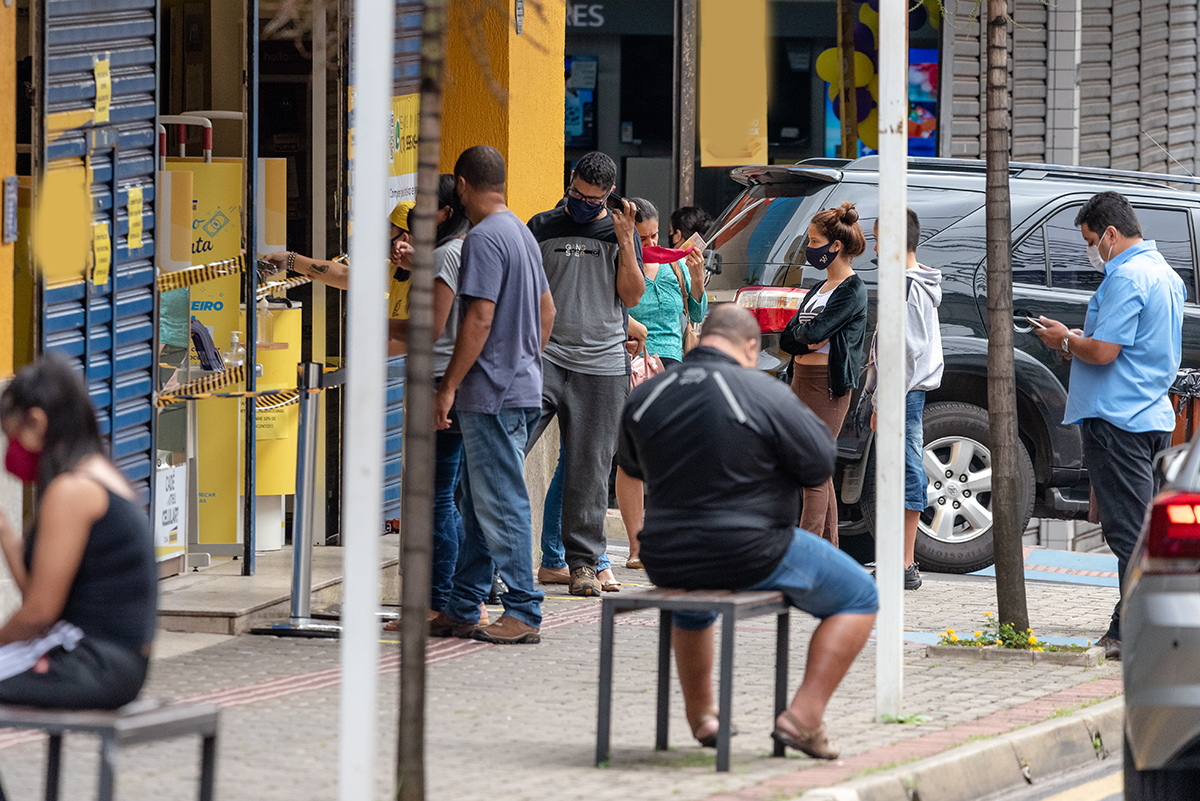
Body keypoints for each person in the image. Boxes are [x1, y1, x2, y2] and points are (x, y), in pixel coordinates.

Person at [616, 305, 877, 756]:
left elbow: (633, 465)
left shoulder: (647, 394)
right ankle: (804, 717)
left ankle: (703, 717)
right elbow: (817, 466)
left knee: (693, 598)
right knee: (860, 596)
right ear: (751, 348)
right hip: (752, 549)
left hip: (665, 555)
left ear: (704, 340)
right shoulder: (762, 390)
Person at [1034, 191, 1184, 662]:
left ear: (1112, 235)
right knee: (1142, 528)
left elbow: (1105, 352)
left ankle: (1136, 635)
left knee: (1129, 534)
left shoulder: (1127, 276)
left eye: (1091, 241)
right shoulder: (1166, 275)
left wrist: (1067, 340)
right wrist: (1074, 340)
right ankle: (1130, 627)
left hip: (1118, 419)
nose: (1091, 251)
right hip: (1153, 415)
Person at [432, 145, 556, 645]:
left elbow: (478, 318)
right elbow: (547, 311)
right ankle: (463, 607)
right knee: (479, 501)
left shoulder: (482, 238)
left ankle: (524, 610)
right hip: (521, 386)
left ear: (461, 184)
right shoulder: (522, 233)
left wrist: (450, 385)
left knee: (501, 500)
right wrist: (524, 358)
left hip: (491, 394)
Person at [0, 354, 157, 709]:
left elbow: (39, 614)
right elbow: (44, 601)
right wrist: (6, 533)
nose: (12, 453)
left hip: (91, 663)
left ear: (37, 422)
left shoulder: (71, 491)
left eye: (12, 437)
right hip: (115, 663)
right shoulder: (102, 474)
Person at [526, 151, 644, 597]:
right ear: (569, 181)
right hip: (544, 360)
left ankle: (582, 565)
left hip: (601, 367)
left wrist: (627, 241)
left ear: (608, 195)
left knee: (589, 470)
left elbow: (630, 295)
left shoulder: (616, 231)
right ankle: (497, 561)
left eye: (591, 199)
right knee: (505, 449)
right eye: (575, 192)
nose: (580, 202)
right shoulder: (541, 226)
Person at [383, 175, 480, 632]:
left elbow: (431, 328)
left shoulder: (447, 254)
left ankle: (437, 603)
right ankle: (462, 600)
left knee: (436, 500)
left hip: (439, 381)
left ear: (442, 213)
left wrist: (377, 321)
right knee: (449, 497)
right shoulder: (463, 249)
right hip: (461, 384)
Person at [779, 202, 869, 548]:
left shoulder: (851, 289)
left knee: (812, 468)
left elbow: (817, 331)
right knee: (817, 466)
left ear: (836, 246)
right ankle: (828, 549)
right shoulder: (819, 288)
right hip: (801, 381)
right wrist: (807, 338)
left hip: (827, 387)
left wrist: (807, 336)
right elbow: (792, 336)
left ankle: (805, 551)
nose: (809, 248)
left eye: (815, 241)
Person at [868, 209, 943, 591]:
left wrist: (882, 401)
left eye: (880, 240)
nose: (876, 249)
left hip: (904, 393)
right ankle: (898, 562)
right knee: (901, 470)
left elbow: (904, 355)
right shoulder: (915, 283)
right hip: (905, 391)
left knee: (905, 471)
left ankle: (904, 564)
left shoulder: (909, 288)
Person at [263, 200, 415, 354]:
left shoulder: (430, 281)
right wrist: (290, 260)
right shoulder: (394, 272)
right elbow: (342, 274)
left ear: (404, 240)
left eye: (389, 234)